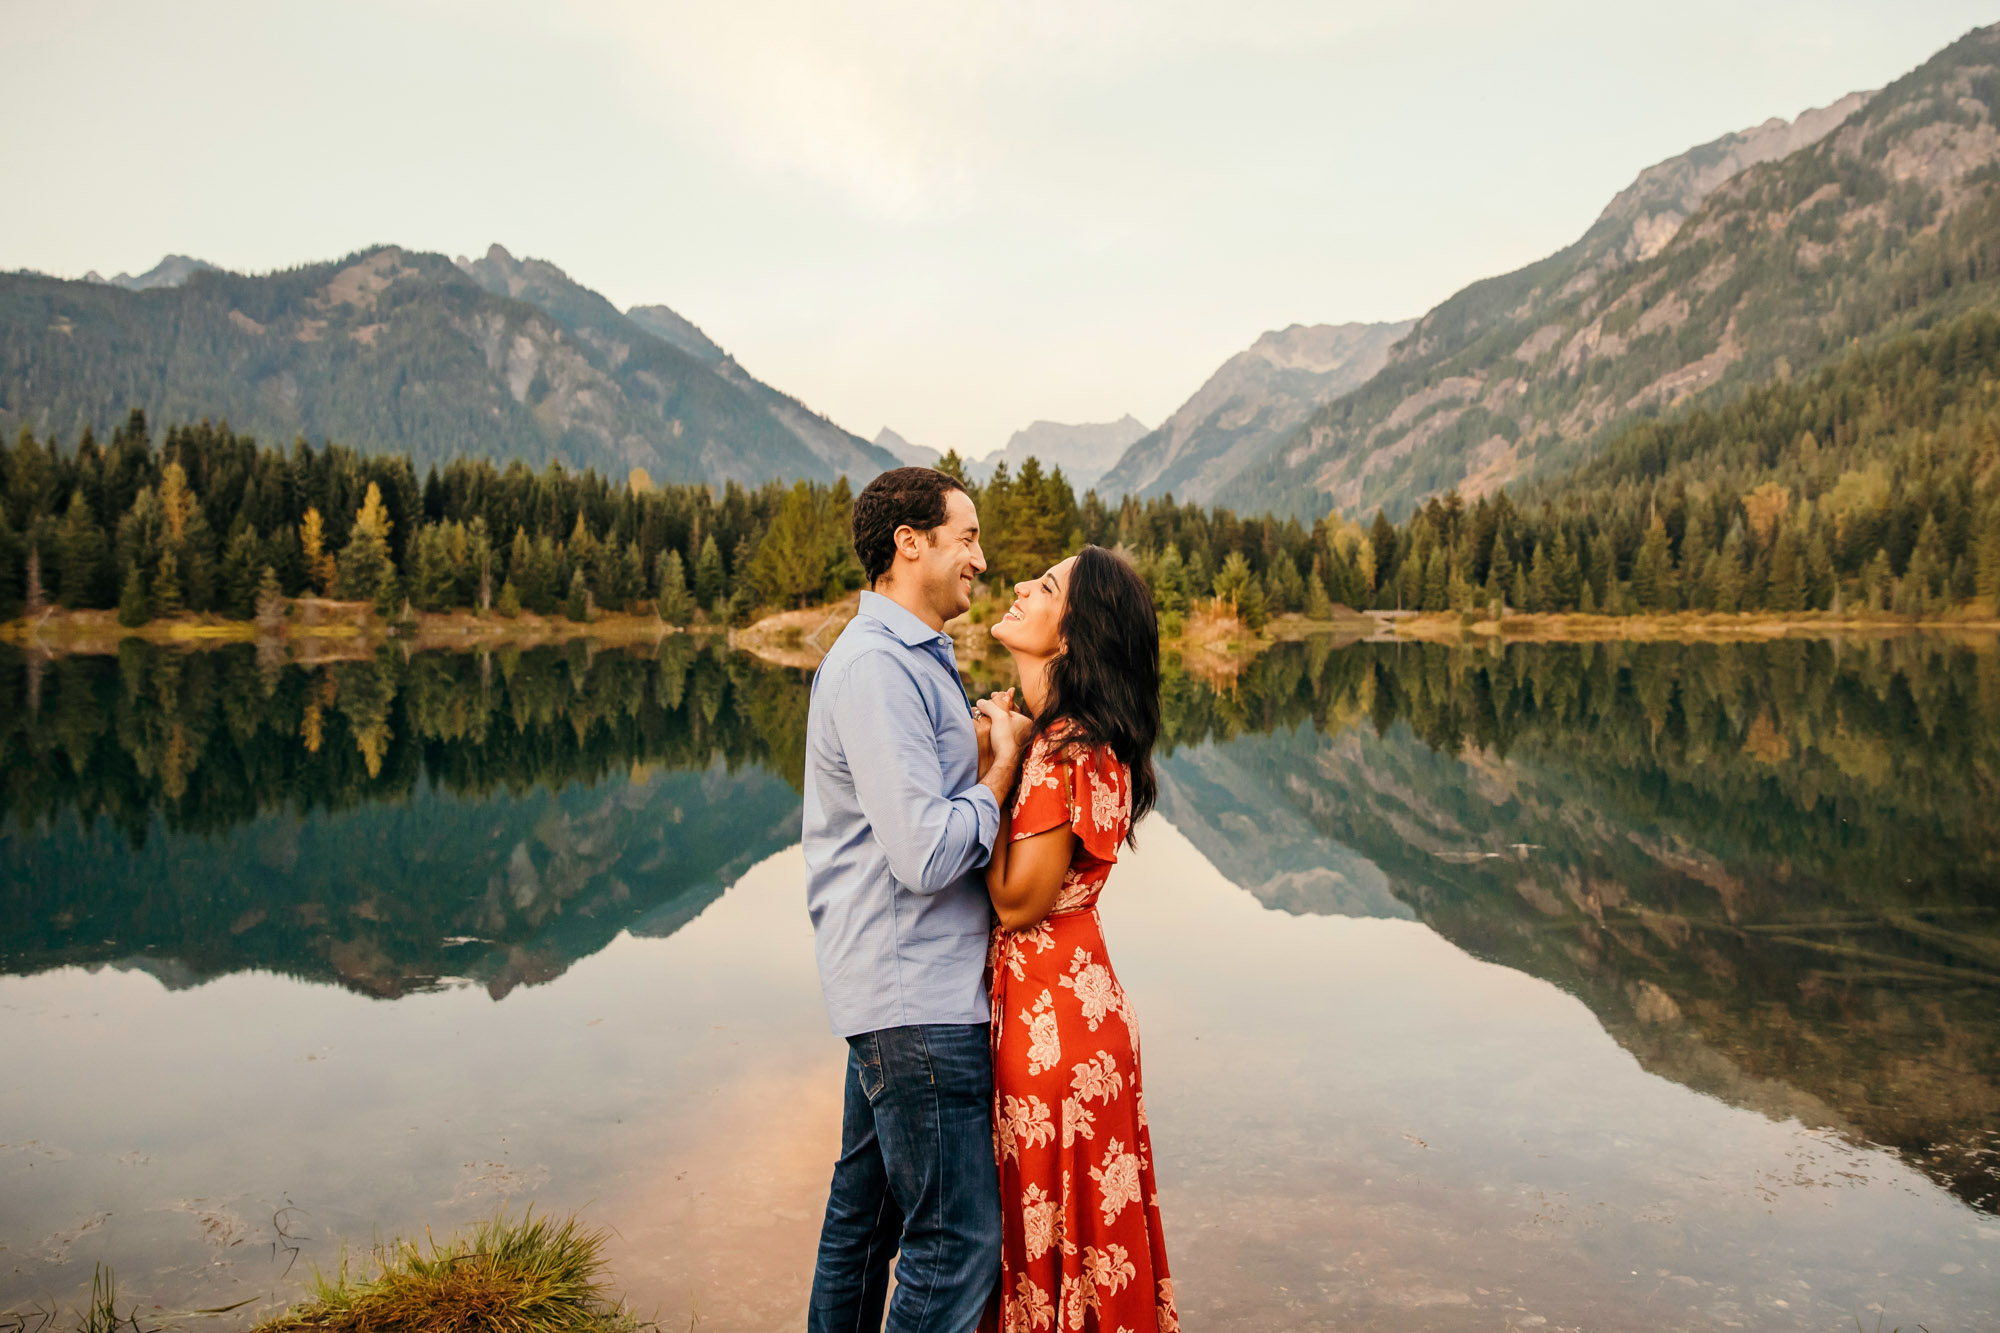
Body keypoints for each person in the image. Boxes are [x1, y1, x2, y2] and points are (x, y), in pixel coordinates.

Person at [804, 467, 1034, 1333]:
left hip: (898, 991)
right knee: (959, 1238)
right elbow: (925, 852)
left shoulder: (910, 661)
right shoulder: (875, 669)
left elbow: (914, 814)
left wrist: (972, 753)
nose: (981, 556)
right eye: (967, 536)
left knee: (863, 1227)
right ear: (912, 543)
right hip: (918, 1001)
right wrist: (1001, 772)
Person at [974, 546, 1179, 1333]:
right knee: (1081, 1231)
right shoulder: (1077, 738)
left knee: (1054, 1223)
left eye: (1047, 586)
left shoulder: (1061, 749)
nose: (1023, 586)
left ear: (1070, 636)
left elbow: (1017, 900)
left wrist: (998, 759)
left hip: (1053, 1027)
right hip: (1077, 1014)